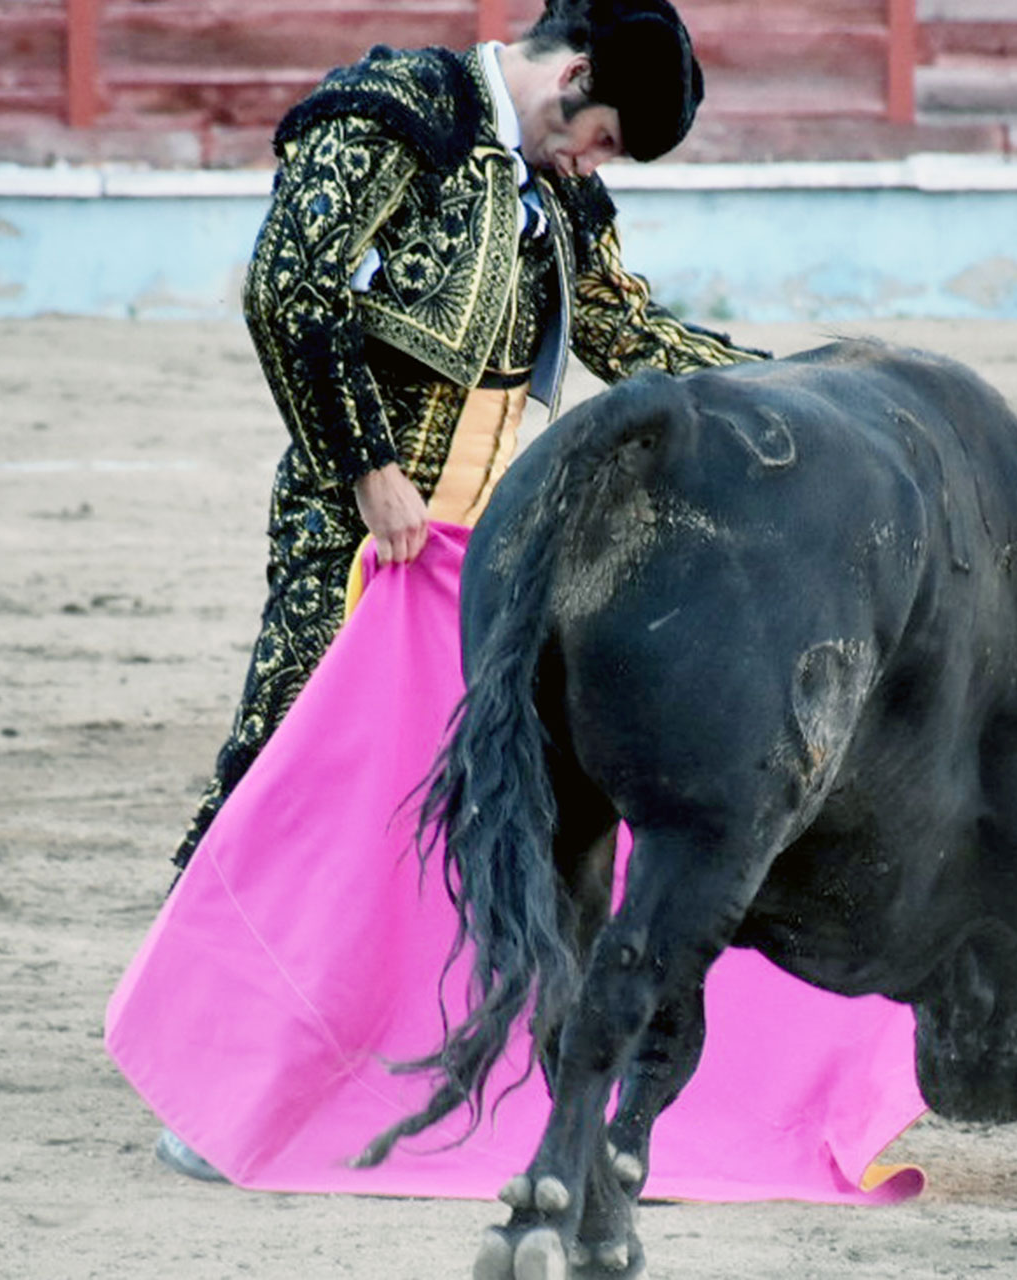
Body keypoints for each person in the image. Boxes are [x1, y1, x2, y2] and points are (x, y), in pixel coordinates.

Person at [154, 0, 765, 1180]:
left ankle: (376, 1064)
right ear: (572, 75)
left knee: (452, 806)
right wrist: (368, 467)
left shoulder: (554, 190)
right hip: (356, 532)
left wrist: (790, 392)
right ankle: (204, 1075)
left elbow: (626, 331)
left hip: (476, 555)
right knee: (295, 778)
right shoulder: (398, 116)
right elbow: (289, 286)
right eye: (600, 137)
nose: (591, 164)